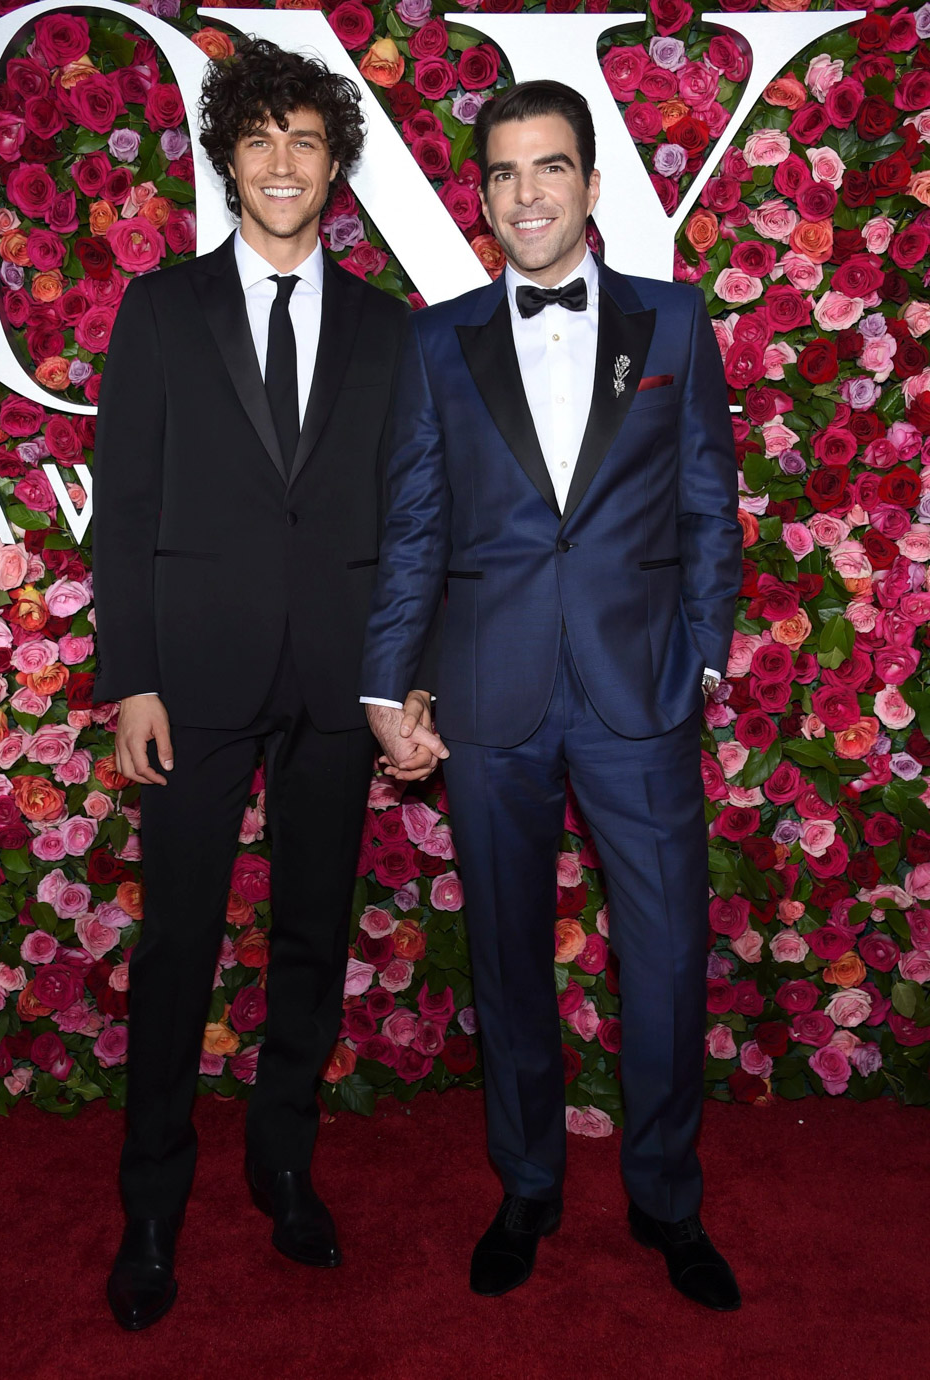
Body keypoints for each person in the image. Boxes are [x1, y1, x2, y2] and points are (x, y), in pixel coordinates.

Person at [362, 80, 743, 1310]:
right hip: (489, 697)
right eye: (504, 174)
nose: (526, 193)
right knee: (510, 961)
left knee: (670, 956)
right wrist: (389, 681)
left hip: (640, 694)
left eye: (550, 169)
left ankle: (665, 1198)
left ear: (589, 183)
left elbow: (703, 507)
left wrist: (699, 657)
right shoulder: (440, 338)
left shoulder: (673, 326)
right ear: (482, 196)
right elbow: (416, 523)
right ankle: (526, 1185)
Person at [92, 39, 441, 1332]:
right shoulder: (162, 311)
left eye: (307, 139)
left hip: (341, 682)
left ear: (334, 162)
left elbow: (414, 519)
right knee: (179, 943)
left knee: (310, 936)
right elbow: (122, 513)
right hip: (192, 680)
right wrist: (131, 682)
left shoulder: (385, 329)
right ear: (228, 159)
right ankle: (151, 1204)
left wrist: (405, 680)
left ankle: (284, 1163)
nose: (283, 161)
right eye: (260, 140)